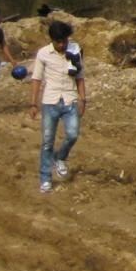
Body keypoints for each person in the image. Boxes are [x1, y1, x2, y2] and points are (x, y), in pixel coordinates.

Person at [30, 20, 87, 193]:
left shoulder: (74, 51)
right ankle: (45, 178)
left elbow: (79, 76)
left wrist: (83, 99)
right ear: (52, 40)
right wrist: (33, 103)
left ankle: (60, 157)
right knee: (47, 141)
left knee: (72, 134)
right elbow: (36, 79)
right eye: (58, 41)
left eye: (64, 41)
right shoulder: (43, 54)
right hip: (50, 101)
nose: (62, 45)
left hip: (70, 100)